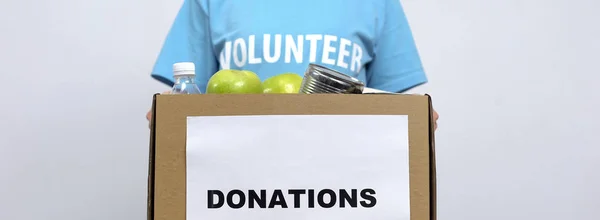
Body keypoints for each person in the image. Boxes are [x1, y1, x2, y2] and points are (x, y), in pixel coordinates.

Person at [147, 0, 438, 128]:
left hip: (344, 183)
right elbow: (186, 92)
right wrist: (166, 117)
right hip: (237, 183)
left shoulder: (377, 1)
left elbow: (391, 104)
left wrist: (416, 118)